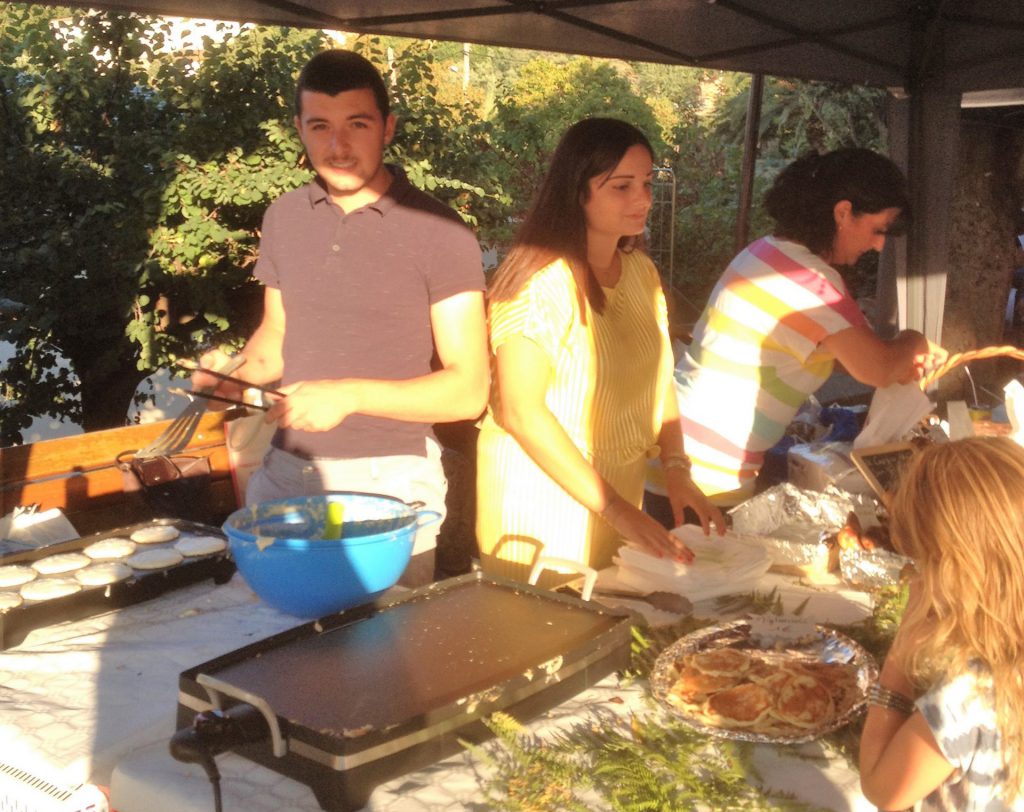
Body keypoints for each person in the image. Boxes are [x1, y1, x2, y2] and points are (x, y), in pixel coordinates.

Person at [194, 49, 489, 585]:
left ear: (388, 128)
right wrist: (229, 378)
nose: (338, 146)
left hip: (390, 482)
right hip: (287, 475)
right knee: (266, 649)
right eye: (320, 127)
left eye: (357, 124)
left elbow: (468, 390)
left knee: (377, 654)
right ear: (299, 131)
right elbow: (276, 340)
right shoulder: (283, 217)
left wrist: (348, 395)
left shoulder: (442, 231)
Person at [475, 118, 725, 587]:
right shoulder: (539, 284)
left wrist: (676, 468)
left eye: (647, 183)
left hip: (615, 500)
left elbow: (659, 381)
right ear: (577, 192)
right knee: (547, 645)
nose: (643, 199)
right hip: (539, 504)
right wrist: (615, 509)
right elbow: (519, 411)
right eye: (621, 186)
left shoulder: (640, 273)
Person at [653, 147, 946, 510]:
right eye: (877, 229)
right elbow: (879, 368)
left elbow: (825, 351)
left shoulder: (767, 252)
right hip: (704, 470)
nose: (879, 244)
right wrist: (913, 341)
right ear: (843, 212)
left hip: (683, 453)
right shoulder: (809, 281)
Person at [859, 437, 1024, 812]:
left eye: (918, 563)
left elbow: (881, 788)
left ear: (950, 573)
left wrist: (901, 652)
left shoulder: (969, 698)